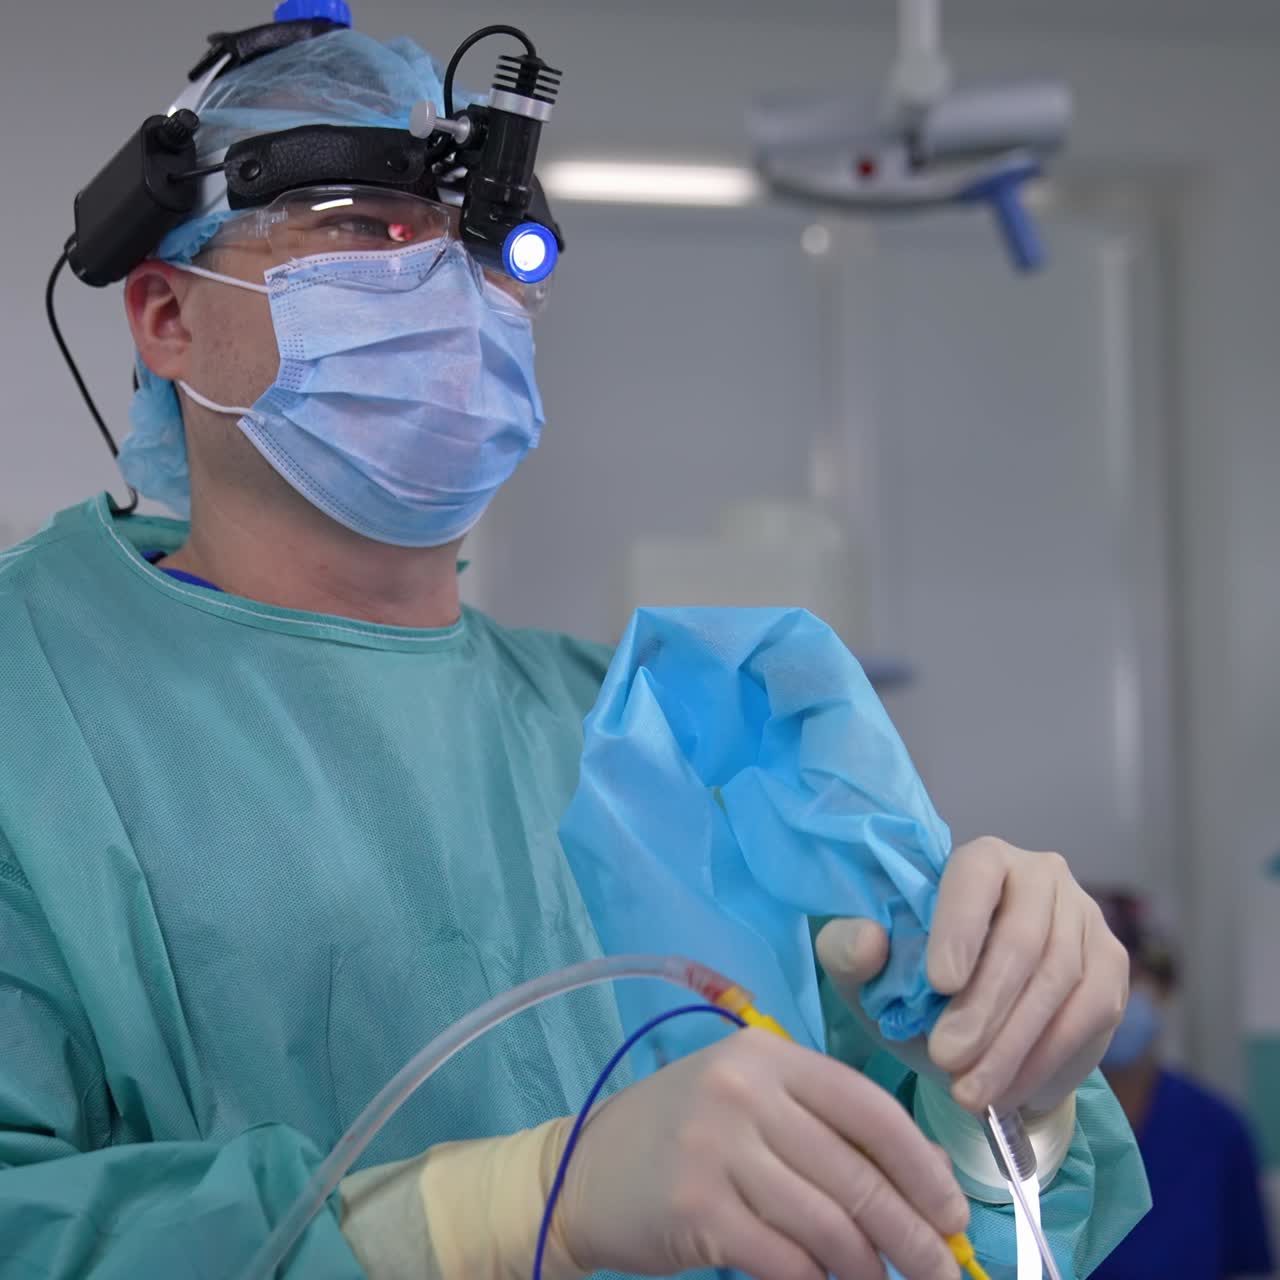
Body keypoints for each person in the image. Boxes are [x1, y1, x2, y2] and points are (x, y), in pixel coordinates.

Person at [0, 19, 1147, 1280]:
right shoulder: (33, 718)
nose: (444, 282)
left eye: (486, 245)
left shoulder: (651, 732)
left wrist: (1001, 1098)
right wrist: (477, 1210)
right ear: (166, 316)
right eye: (361, 225)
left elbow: (952, 1248)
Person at [1088, 891, 1275, 1280]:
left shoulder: (1218, 1130)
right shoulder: (1029, 1127)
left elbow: (1247, 1266)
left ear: (1164, 990)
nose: (1115, 998)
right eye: (1097, 979)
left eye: (1131, 978)